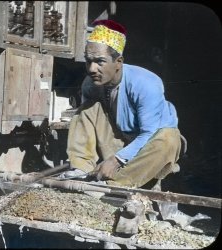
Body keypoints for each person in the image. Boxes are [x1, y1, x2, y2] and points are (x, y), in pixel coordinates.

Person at [66, 19, 186, 189]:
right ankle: (81, 171)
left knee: (169, 138)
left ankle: (114, 186)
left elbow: (148, 133)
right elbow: (88, 124)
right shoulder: (90, 83)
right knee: (86, 110)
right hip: (121, 138)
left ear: (119, 62)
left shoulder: (146, 83)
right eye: (88, 61)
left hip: (151, 144)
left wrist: (116, 160)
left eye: (100, 61)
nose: (92, 69)